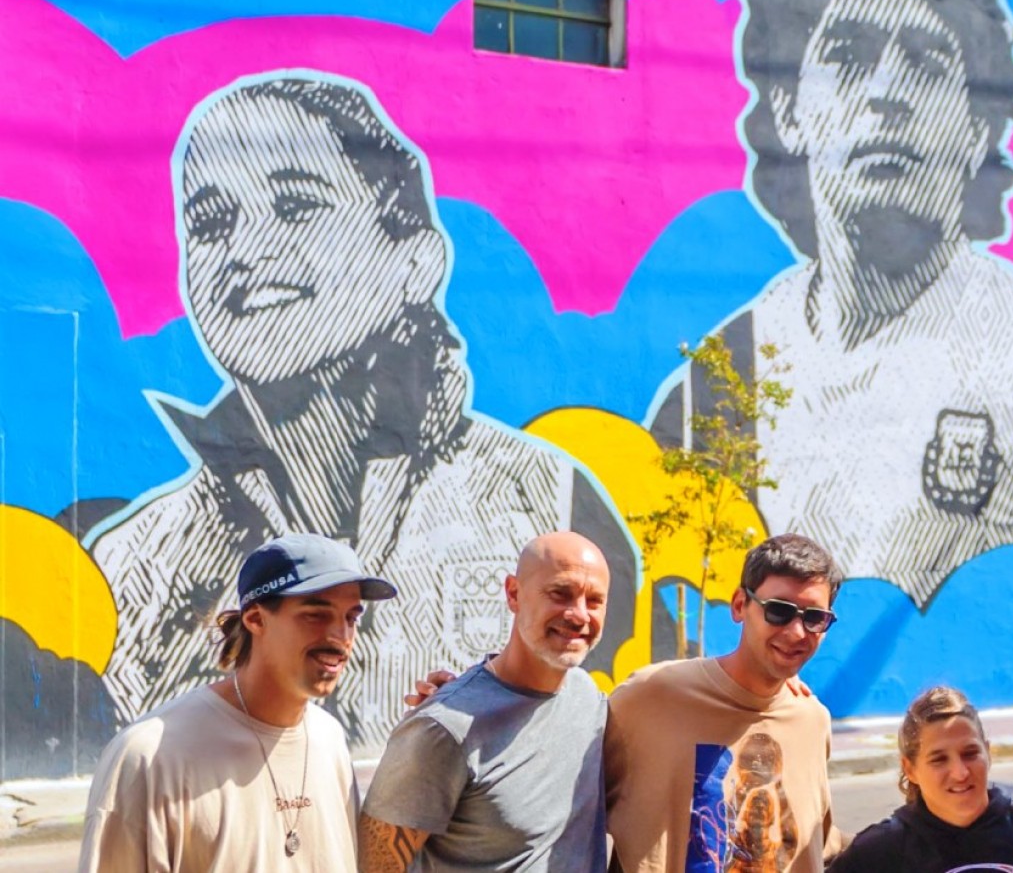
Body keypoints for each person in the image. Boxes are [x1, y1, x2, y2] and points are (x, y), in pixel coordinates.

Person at [86, 71, 638, 747]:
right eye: (211, 222)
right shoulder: (133, 561)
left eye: (295, 204)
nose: (244, 250)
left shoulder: (544, 505)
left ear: (415, 259)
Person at [649, 0, 1013, 607]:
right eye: (849, 56)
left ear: (976, 129)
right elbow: (662, 601)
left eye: (925, 64)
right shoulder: (726, 376)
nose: (887, 93)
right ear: (789, 109)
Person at [79, 533, 396, 871]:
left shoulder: (329, 740)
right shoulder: (148, 757)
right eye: (316, 615)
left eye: (351, 618)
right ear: (255, 619)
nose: (341, 637)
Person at [358, 532, 611, 872]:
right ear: (513, 594)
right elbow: (373, 865)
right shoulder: (443, 727)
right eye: (560, 593)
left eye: (594, 601)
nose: (579, 615)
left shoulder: (590, 700)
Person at [605, 533, 845, 872]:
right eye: (778, 611)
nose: (796, 633)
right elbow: (568, 816)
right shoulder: (649, 697)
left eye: (814, 617)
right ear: (739, 605)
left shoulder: (812, 721)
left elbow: (816, 843)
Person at [828, 685, 1013, 872]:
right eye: (939, 759)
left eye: (970, 753)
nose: (960, 772)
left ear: (988, 753)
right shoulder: (880, 853)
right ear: (910, 769)